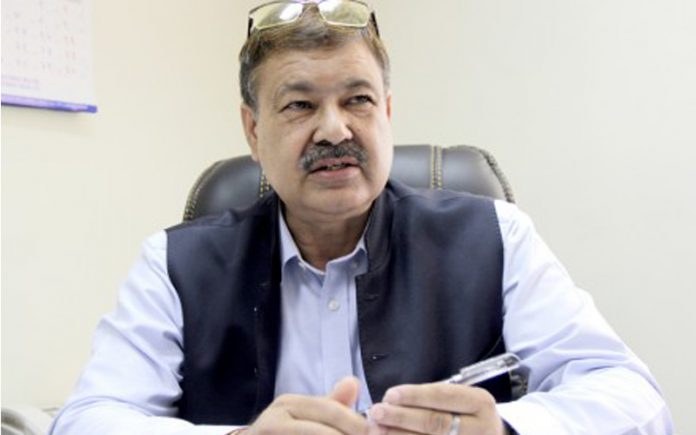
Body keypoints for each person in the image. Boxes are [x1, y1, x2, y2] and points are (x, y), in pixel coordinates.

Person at [49, 1, 674, 434]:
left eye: (358, 100)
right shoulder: (174, 264)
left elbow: (634, 399)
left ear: (387, 114)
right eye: (300, 105)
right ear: (253, 131)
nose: (334, 129)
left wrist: (505, 427)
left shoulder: (496, 236)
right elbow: (87, 419)